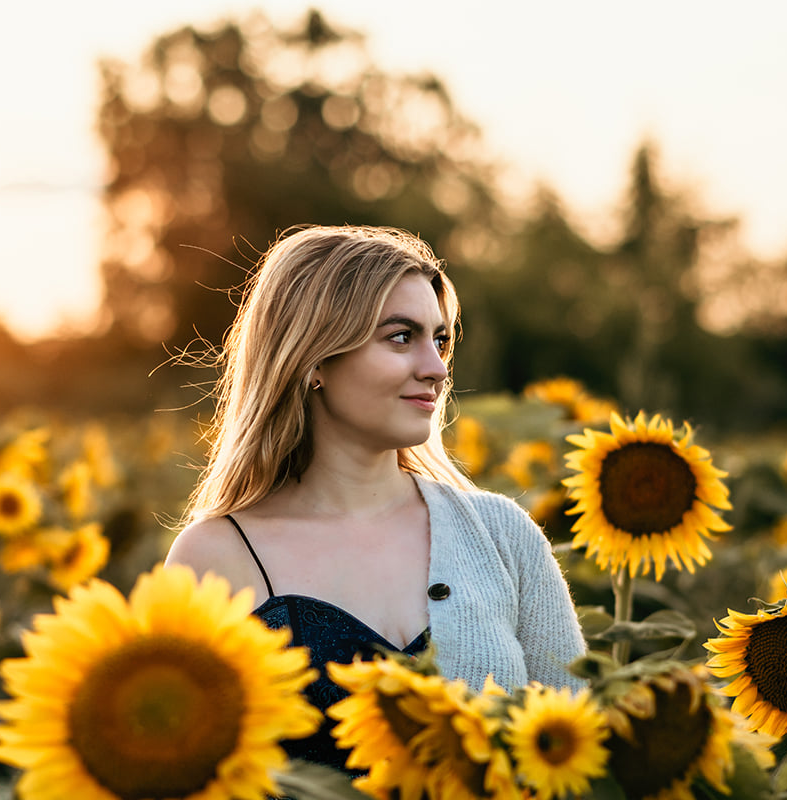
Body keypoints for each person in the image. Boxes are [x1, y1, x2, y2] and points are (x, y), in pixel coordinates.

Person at [165, 224, 585, 772]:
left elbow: (580, 755)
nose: (436, 368)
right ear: (313, 358)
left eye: (440, 340)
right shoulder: (213, 560)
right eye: (400, 337)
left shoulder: (502, 536)